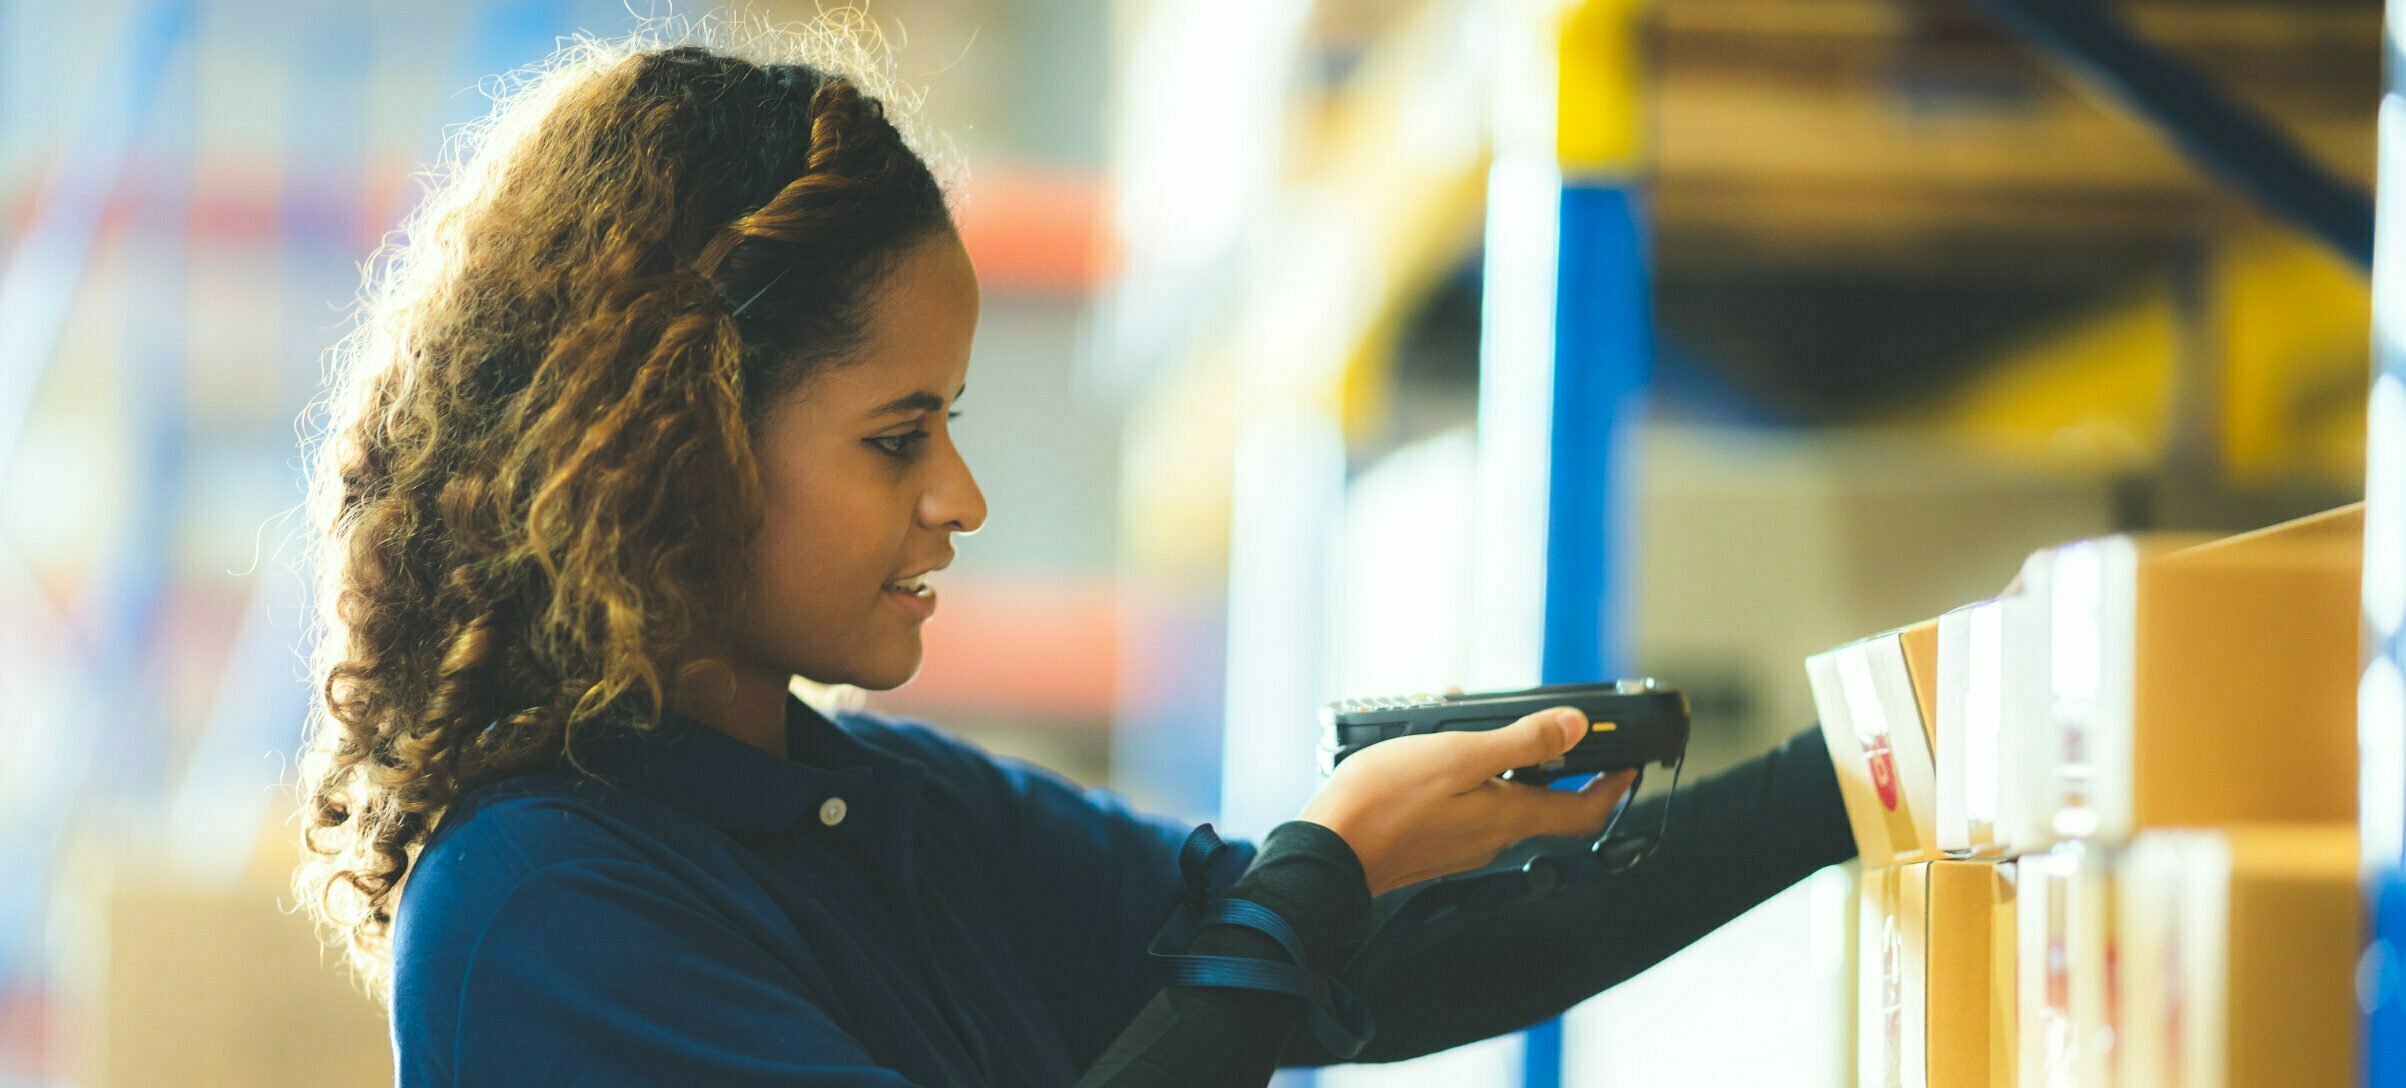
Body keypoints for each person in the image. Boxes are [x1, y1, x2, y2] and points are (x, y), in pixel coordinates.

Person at [291, 20, 1856, 1088]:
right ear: (676, 441)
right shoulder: (544, 915)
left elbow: (1339, 964)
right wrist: (1320, 874)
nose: (960, 496)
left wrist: (1855, 775)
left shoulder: (874, 810)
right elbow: (1275, 945)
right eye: (898, 437)